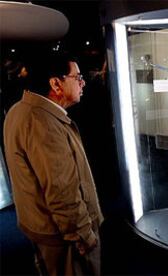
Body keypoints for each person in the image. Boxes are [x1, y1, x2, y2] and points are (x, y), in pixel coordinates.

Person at [3, 53, 103, 275]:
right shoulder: (43, 123)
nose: (83, 82)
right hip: (65, 238)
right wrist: (83, 235)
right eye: (77, 77)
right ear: (55, 83)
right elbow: (62, 191)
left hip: (44, 230)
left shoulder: (20, 109)